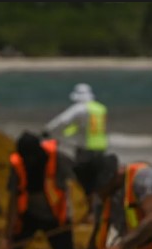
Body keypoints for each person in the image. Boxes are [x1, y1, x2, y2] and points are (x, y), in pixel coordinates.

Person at [1, 131, 82, 249]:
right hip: (30, 215)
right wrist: (8, 236)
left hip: (56, 216)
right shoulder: (19, 165)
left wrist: (91, 209)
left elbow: (81, 179)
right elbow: (13, 201)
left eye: (31, 156)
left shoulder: (58, 159)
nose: (29, 161)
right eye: (25, 158)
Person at [43, 83, 109, 215]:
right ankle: (99, 209)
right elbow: (83, 127)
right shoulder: (100, 108)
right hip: (101, 147)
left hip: (86, 149)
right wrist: (67, 133)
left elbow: (62, 120)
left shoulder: (80, 109)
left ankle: (87, 209)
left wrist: (47, 130)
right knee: (98, 180)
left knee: (83, 180)